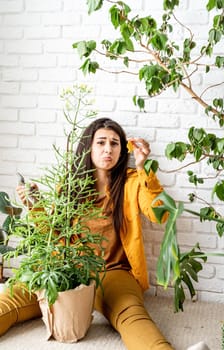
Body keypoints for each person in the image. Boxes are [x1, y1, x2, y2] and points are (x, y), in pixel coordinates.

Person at [0, 118, 209, 350]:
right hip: (67, 268)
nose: (108, 149)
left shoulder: (132, 182)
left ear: (122, 150)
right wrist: (35, 205)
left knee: (131, 314)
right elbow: (53, 235)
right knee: (12, 298)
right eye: (100, 142)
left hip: (113, 272)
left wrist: (142, 167)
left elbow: (161, 214)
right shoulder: (69, 185)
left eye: (114, 143)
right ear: (88, 147)